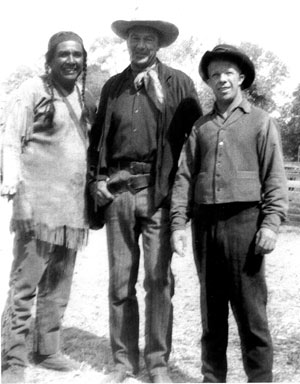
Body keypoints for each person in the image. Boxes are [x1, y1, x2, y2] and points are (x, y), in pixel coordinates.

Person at [88, 19, 201, 383]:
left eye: (147, 39)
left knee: (157, 280)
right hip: (119, 192)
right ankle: (123, 362)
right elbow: (96, 141)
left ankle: (157, 363)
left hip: (159, 193)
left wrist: (160, 98)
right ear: (126, 43)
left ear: (158, 44)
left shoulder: (179, 83)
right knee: (120, 282)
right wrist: (96, 181)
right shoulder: (113, 86)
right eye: (134, 38)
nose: (140, 44)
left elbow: (195, 137)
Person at [170, 44, 288, 382]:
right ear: (208, 81)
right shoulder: (201, 127)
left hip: (245, 226)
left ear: (241, 78)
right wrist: (178, 223)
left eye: (228, 72)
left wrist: (270, 224)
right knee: (212, 314)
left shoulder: (261, 123)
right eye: (215, 73)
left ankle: (260, 379)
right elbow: (184, 176)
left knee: (252, 316)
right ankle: (212, 378)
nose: (221, 79)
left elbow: (275, 179)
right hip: (205, 227)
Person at [1, 31, 96, 383]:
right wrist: (17, 194)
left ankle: (47, 349)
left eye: (77, 55)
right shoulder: (32, 91)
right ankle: (12, 360)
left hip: (72, 210)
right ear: (50, 59)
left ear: (84, 60)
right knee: (24, 286)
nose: (71, 60)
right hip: (36, 208)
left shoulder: (84, 97)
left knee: (58, 286)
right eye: (63, 54)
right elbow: (10, 140)